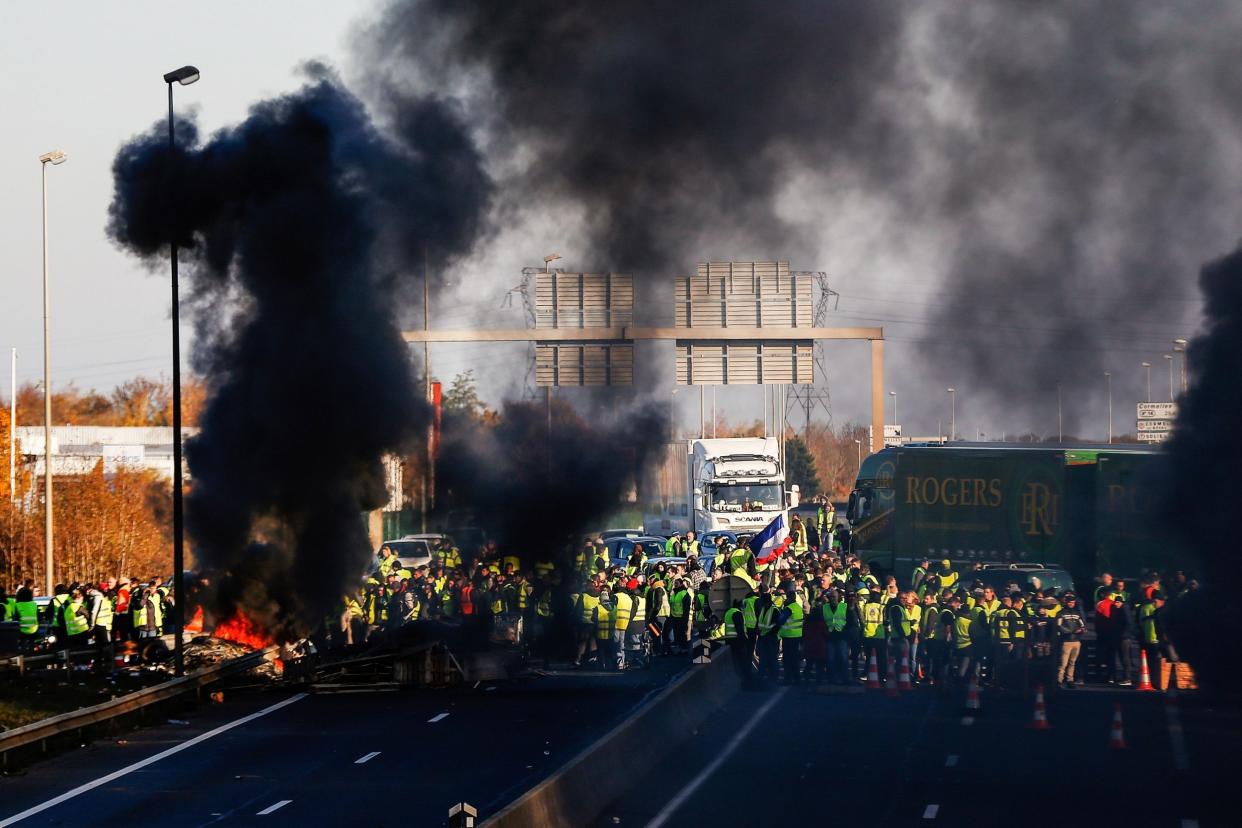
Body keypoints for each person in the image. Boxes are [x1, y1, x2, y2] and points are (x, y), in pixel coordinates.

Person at [1056, 592, 1086, 689]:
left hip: (1076, 641)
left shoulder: (1077, 613)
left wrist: (1081, 630)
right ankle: (1059, 681)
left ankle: (1070, 680)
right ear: (1066, 602)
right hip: (1066, 641)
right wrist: (1072, 631)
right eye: (1069, 602)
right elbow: (1059, 626)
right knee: (1063, 663)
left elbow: (1083, 626)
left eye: (1072, 602)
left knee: (1072, 662)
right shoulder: (1061, 613)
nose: (1071, 604)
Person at [1139, 591, 1165, 690]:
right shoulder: (1158, 608)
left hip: (1148, 637)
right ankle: (1158, 682)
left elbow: (1141, 623)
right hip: (1157, 638)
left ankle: (1152, 681)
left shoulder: (1144, 608)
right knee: (1158, 661)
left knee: (1150, 661)